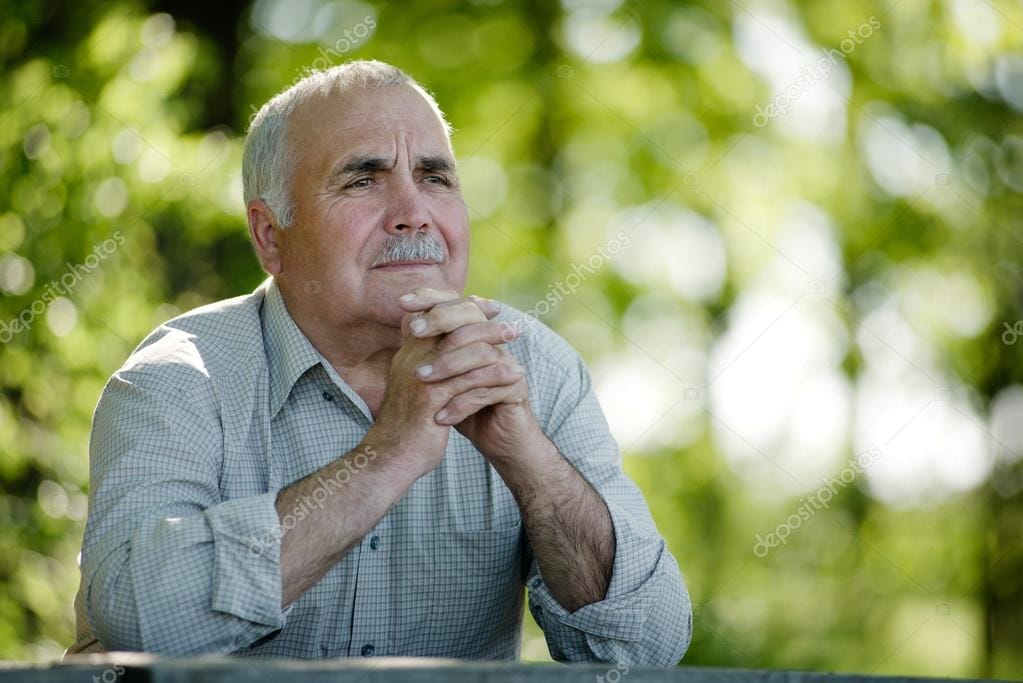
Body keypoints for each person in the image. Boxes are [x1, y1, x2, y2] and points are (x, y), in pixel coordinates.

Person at [67, 59, 692, 663]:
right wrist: (386, 457)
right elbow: (137, 617)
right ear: (270, 236)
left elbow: (646, 648)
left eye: (435, 177)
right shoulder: (180, 379)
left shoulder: (533, 370)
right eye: (363, 179)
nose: (413, 212)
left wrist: (529, 460)